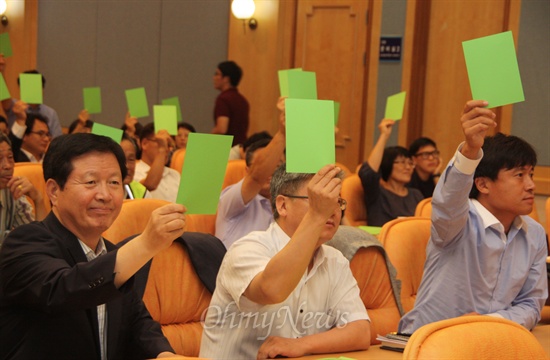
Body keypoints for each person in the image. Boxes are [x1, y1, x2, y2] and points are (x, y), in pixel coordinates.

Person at [0, 133, 187, 359]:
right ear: (53, 191)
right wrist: (146, 244)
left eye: (114, 183)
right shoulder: (23, 243)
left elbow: (138, 323)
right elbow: (65, 289)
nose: (105, 195)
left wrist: (164, 354)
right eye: (91, 182)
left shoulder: (112, 253)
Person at [398, 100, 548, 334]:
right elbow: (448, 201)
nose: (530, 185)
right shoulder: (457, 222)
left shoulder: (535, 234)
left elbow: (531, 304)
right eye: (519, 175)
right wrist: (470, 150)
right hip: (430, 340)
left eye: (531, 174)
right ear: (483, 184)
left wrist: (491, 321)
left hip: (491, 338)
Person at [200, 163, 370, 359]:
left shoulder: (334, 259)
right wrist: (316, 215)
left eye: (337, 201)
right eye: (318, 200)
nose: (330, 210)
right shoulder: (247, 249)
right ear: (282, 205)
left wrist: (301, 345)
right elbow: (272, 290)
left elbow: (360, 331)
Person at [215, 98, 286, 248]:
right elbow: (256, 178)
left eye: (277, 165)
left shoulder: (287, 204)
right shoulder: (231, 199)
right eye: (266, 165)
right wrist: (282, 135)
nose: (271, 171)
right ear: (248, 170)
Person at [358, 119, 423, 226]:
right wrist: (384, 135)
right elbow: (368, 172)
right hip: (382, 239)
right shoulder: (377, 192)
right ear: (388, 164)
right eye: (402, 162)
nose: (408, 167)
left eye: (410, 163)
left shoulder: (416, 195)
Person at [0, 133, 48, 246]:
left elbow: (41, 239)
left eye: (10, 157)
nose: (7, 165)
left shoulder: (12, 189)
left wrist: (38, 198)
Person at [1, 68, 63, 138]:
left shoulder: (50, 113)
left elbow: (57, 138)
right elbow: (4, 97)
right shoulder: (15, 106)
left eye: (36, 86)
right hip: (16, 145)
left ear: (42, 89)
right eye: (28, 86)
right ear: (21, 89)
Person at [134, 123, 180, 203]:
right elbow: (149, 185)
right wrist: (161, 150)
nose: (167, 149)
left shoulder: (175, 174)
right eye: (161, 142)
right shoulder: (134, 172)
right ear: (144, 144)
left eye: (168, 145)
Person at [211, 60, 249, 146]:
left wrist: (209, 135)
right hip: (241, 147)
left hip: (227, 148)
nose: (214, 77)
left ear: (226, 79)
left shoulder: (223, 99)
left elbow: (222, 129)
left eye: (217, 74)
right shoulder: (243, 100)